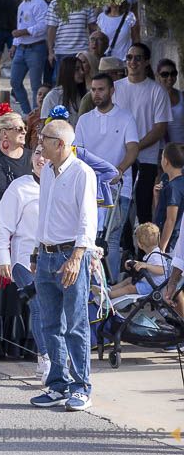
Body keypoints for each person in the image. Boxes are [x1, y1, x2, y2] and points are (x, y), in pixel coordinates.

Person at [29, 119, 97, 412]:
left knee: (76, 325)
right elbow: (44, 213)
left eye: (43, 139)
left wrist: (78, 257)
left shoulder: (82, 173)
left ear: (60, 144)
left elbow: (87, 219)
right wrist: (36, 250)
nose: (39, 144)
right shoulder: (48, 172)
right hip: (46, 255)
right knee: (50, 324)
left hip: (70, 256)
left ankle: (81, 387)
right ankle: (58, 384)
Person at [0, 142, 51, 382]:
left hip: (55, 260)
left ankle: (47, 357)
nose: (41, 159)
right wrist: (2, 257)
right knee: (38, 305)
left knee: (53, 310)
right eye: (37, 153)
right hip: (23, 260)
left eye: (46, 154)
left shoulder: (65, 185)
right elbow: (2, 225)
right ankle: (47, 358)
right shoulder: (20, 187)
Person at [75, 73, 139, 279]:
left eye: (101, 89)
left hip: (119, 187)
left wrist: (119, 170)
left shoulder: (126, 117)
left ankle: (110, 287)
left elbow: (133, 148)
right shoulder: (84, 120)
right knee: (90, 238)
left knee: (112, 239)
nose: (96, 93)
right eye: (93, 89)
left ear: (112, 91)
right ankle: (92, 285)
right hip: (91, 189)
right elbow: (78, 153)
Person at [114, 42, 170, 226]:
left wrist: (135, 147)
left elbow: (159, 128)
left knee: (143, 205)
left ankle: (144, 251)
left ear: (146, 62)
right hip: (118, 156)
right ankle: (126, 247)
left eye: (138, 58)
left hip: (146, 157)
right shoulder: (115, 88)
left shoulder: (157, 91)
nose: (132, 61)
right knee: (119, 205)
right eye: (129, 57)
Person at [10, 0, 50, 115]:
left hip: (36, 47)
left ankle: (36, 113)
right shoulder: (22, 4)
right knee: (15, 81)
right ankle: (28, 113)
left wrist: (24, 32)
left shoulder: (40, 3)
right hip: (21, 47)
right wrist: (14, 45)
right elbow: (20, 25)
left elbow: (43, 26)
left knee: (35, 85)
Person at [109, 223, 169, 299]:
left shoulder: (155, 255)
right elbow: (148, 265)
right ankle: (111, 289)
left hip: (154, 286)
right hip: (149, 283)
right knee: (129, 280)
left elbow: (162, 270)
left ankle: (109, 295)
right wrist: (134, 263)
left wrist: (146, 265)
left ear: (140, 245)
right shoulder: (153, 253)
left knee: (130, 288)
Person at [41, 56, 87, 124]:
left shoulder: (86, 95)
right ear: (68, 72)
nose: (82, 72)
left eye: (82, 69)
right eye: (77, 69)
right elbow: (45, 125)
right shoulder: (52, 97)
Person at [156, 59, 184, 143]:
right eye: (165, 74)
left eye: (173, 73)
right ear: (158, 76)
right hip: (162, 151)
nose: (169, 78)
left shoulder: (182, 96)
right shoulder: (153, 98)